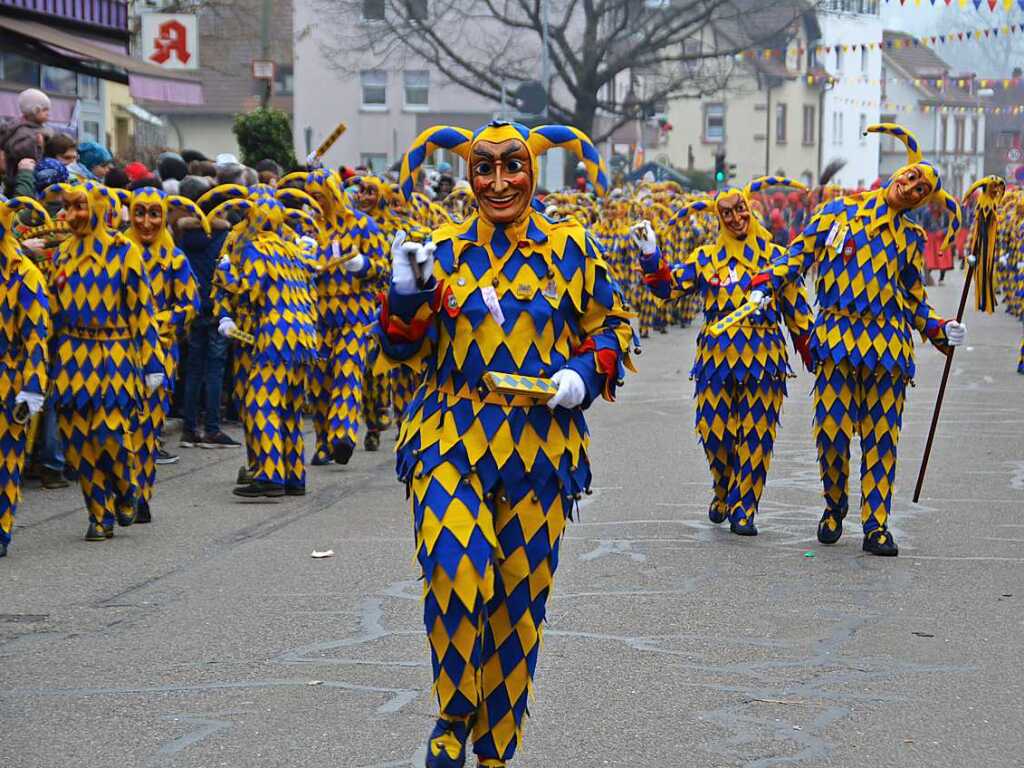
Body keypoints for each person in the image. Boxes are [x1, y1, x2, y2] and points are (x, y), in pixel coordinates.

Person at [382, 120, 636, 767]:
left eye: (512, 166)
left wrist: (583, 374)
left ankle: (495, 751)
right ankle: (453, 711)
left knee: (518, 602)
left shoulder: (572, 247)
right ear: (468, 175)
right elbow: (400, 348)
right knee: (454, 562)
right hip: (449, 435)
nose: (498, 182)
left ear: (533, 170)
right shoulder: (437, 249)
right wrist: (405, 295)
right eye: (484, 168)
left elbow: (611, 328)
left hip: (541, 450)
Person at [756, 123, 967, 556]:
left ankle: (876, 525)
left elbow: (913, 299)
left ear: (924, 200)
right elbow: (797, 256)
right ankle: (835, 504)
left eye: (921, 188)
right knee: (831, 432)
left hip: (887, 350)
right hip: (836, 340)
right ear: (897, 176)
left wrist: (938, 328)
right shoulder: (837, 215)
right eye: (910, 178)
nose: (910, 187)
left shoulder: (911, 239)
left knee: (881, 437)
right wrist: (765, 284)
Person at [636, 177, 813, 535]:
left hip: (765, 361)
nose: (735, 218)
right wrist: (651, 256)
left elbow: (799, 314)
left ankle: (745, 507)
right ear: (718, 217)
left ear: (752, 209)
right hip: (715, 360)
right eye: (727, 213)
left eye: (740, 210)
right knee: (715, 433)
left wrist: (820, 355)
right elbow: (667, 289)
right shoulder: (706, 258)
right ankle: (724, 486)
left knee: (757, 436)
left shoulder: (777, 258)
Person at [46, 180, 165, 541]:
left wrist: (152, 361)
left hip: (114, 353)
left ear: (98, 209)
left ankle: (127, 487)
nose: (71, 216)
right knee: (78, 440)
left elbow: (142, 308)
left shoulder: (123, 250)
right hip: (72, 355)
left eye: (79, 207)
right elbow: (52, 307)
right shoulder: (62, 253)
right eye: (68, 209)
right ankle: (99, 516)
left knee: (109, 432)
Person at [210, 188, 320, 498]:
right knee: (289, 409)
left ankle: (270, 474)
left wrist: (226, 275)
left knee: (261, 403)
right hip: (304, 338)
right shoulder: (293, 251)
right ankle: (293, 475)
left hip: (273, 337)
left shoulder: (256, 248)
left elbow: (250, 291)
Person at [277, 167, 385, 465]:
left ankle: (343, 435)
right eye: (311, 197)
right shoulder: (306, 228)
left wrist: (364, 265)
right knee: (319, 381)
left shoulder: (363, 226)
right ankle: (324, 441)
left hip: (355, 313)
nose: (316, 203)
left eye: (320, 196)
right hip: (317, 312)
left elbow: (383, 268)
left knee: (347, 372)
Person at [120, 187, 201, 521]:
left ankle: (140, 494)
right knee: (118, 425)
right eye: (140, 213)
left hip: (161, 353)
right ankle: (119, 488)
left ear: (165, 216)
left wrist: (156, 321)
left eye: (154, 214)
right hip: (118, 352)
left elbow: (191, 305)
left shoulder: (175, 259)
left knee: (148, 427)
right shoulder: (117, 252)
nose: (146, 222)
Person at [0, 195, 51, 557]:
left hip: (8, 376)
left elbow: (36, 334)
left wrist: (32, 385)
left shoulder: (23, 273)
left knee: (6, 457)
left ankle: (1, 528)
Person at [176, 176, 240, 448]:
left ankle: (190, 428)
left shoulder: (183, 237)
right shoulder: (226, 237)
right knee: (215, 369)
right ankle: (212, 428)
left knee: (193, 369)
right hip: (218, 308)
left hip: (193, 307)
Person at [1, 88, 50, 195]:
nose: (48, 113)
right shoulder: (24, 132)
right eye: (45, 109)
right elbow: (21, 153)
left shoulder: (33, 129)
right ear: (35, 110)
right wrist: (37, 145)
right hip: (19, 180)